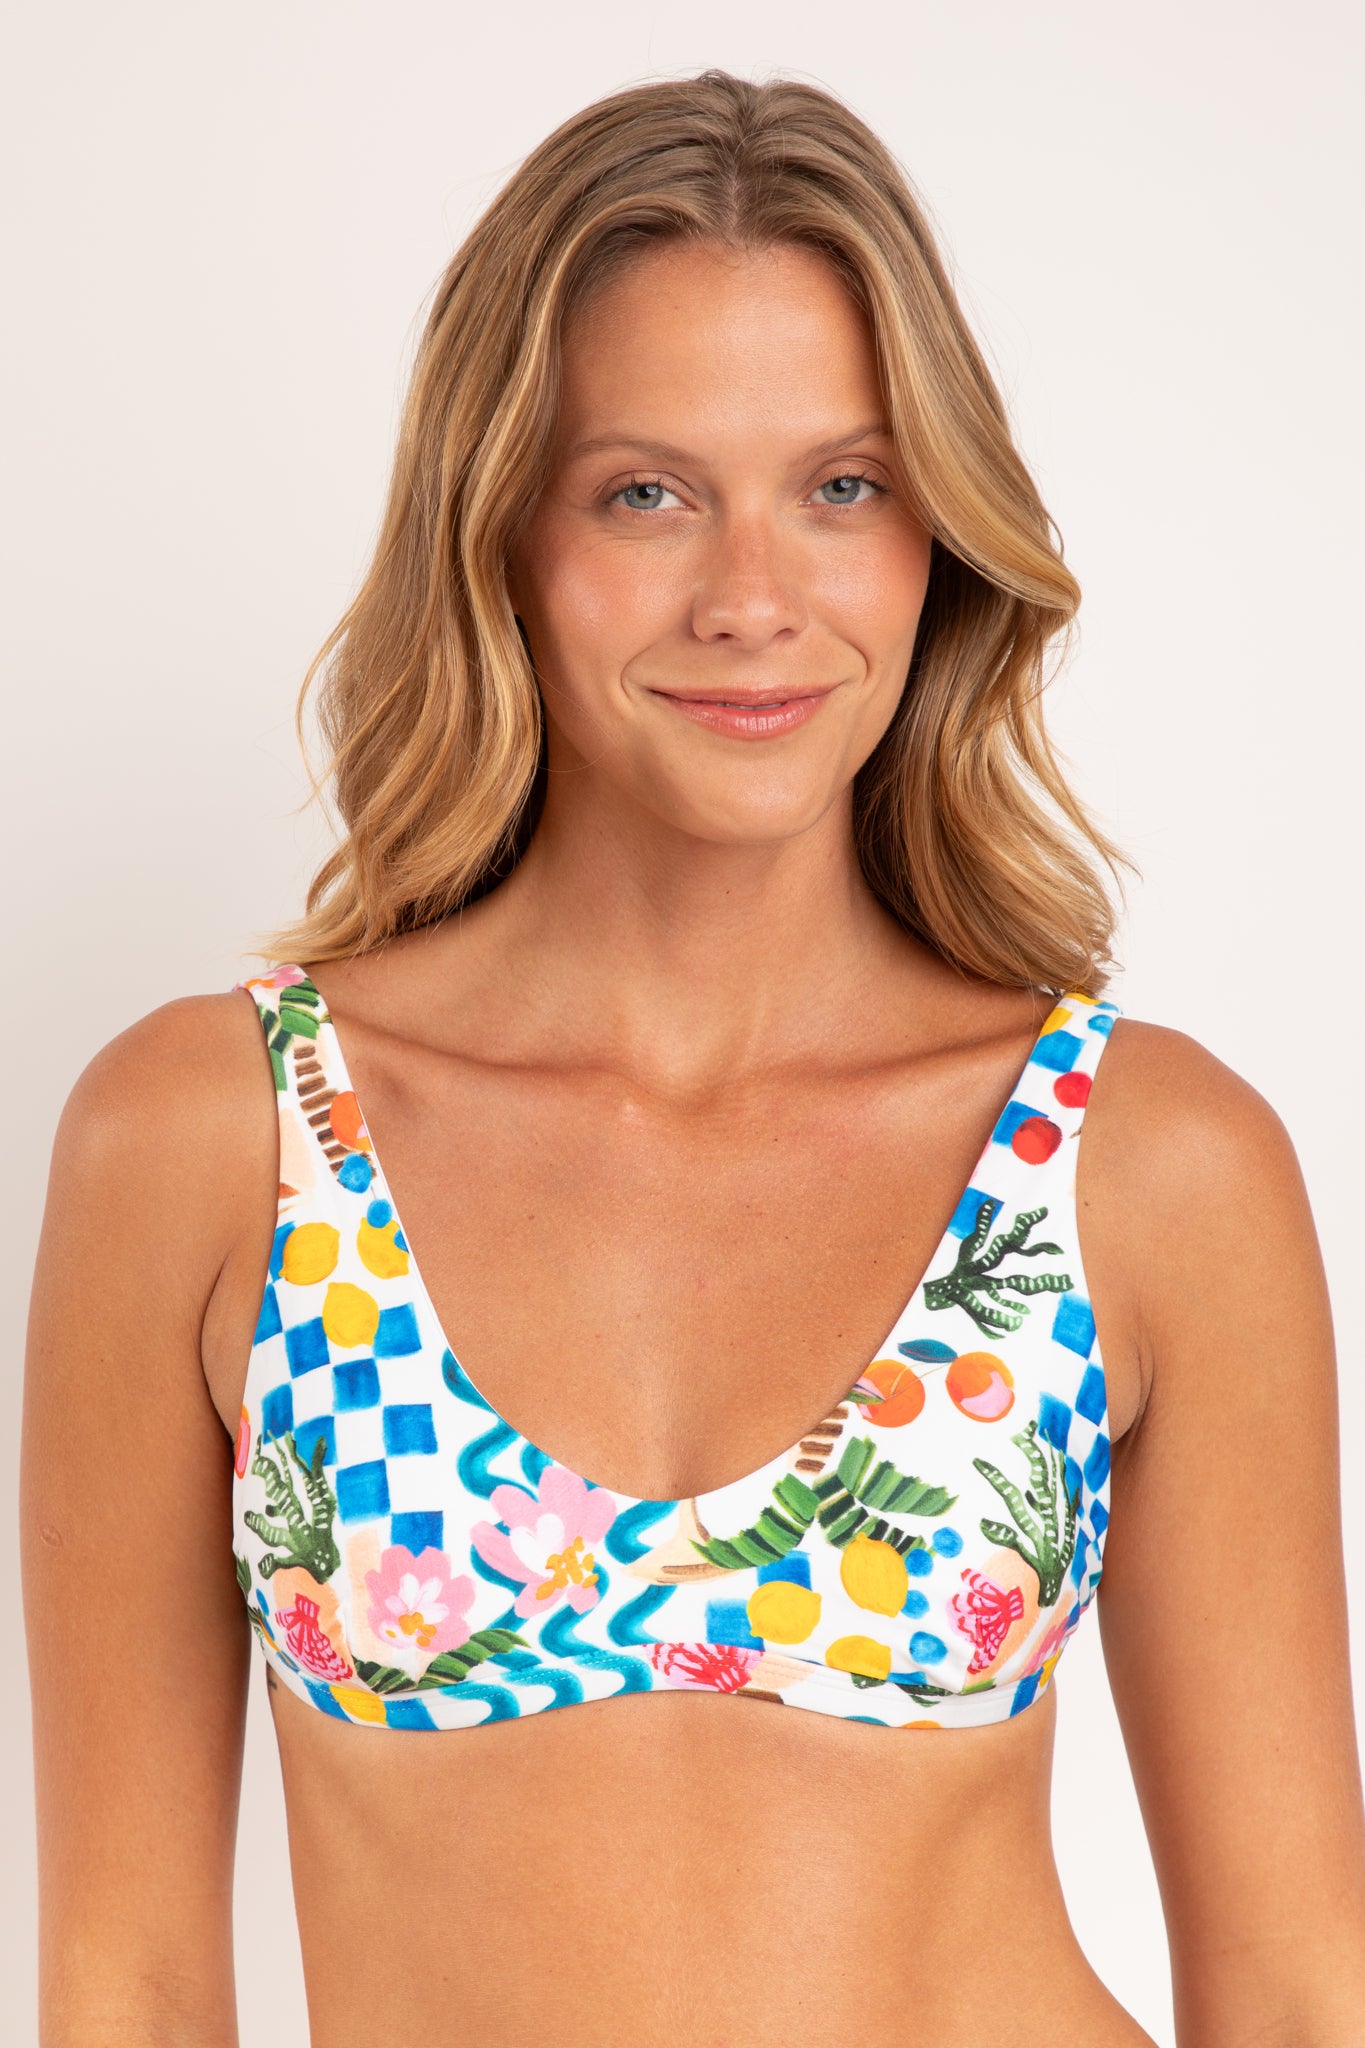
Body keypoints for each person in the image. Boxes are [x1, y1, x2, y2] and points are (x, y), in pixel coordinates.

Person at [21, 66, 1365, 2048]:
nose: (753, 599)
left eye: (843, 487)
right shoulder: (215, 1140)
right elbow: (124, 1986)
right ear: (501, 532)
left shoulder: (1138, 1163)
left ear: (936, 535)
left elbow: (1295, 1993)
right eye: (644, 492)